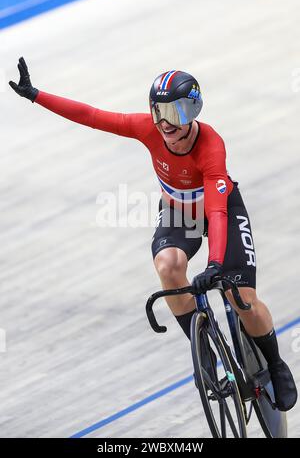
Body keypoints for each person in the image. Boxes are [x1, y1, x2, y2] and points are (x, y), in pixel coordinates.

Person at [9, 58, 297, 411]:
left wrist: (216, 263)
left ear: (191, 111)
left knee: (243, 299)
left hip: (220, 210)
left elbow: (218, 213)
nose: (163, 122)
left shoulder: (211, 146)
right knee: (167, 265)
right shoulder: (148, 129)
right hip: (179, 213)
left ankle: (277, 362)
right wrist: (37, 95)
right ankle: (205, 354)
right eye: (158, 111)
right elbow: (93, 116)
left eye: (173, 113)